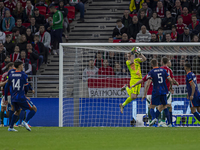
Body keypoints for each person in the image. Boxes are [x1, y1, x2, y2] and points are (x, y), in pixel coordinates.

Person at [5, 59, 37, 131]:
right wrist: (28, 92)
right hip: (21, 97)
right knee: (34, 109)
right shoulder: (23, 75)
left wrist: (6, 98)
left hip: (13, 97)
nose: (23, 66)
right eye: (22, 65)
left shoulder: (10, 75)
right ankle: (24, 122)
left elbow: (7, 86)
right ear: (19, 66)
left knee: (17, 111)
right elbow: (26, 86)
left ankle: (10, 127)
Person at [142, 59, 173, 126]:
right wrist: (171, 87)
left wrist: (144, 94)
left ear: (151, 65)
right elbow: (170, 79)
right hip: (164, 91)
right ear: (158, 63)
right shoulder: (164, 70)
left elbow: (147, 84)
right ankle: (169, 123)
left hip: (155, 91)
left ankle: (153, 120)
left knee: (151, 107)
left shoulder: (151, 72)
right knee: (165, 106)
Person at [119, 47, 146, 114]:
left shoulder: (137, 60)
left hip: (139, 80)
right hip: (134, 80)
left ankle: (123, 105)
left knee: (135, 97)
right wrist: (132, 52)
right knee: (133, 96)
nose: (129, 56)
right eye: (128, 55)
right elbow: (131, 61)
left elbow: (144, 59)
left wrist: (140, 53)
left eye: (129, 55)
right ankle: (126, 87)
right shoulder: (128, 62)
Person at [160, 57, 179, 126]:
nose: (171, 63)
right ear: (167, 62)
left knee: (169, 106)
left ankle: (169, 123)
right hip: (166, 90)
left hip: (159, 89)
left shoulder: (159, 69)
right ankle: (162, 121)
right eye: (170, 62)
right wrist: (176, 83)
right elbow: (172, 79)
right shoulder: (169, 70)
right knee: (166, 105)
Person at [0, 62, 14, 127]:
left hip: (12, 94)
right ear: (10, 67)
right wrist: (6, 81)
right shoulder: (5, 75)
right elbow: (1, 84)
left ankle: (11, 123)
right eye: (13, 66)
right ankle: (2, 123)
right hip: (6, 94)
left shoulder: (15, 74)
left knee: (12, 109)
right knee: (3, 108)